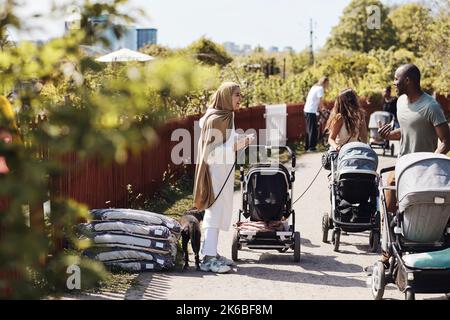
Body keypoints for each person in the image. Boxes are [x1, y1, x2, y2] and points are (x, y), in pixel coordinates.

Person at [367, 64, 450, 273]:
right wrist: (389, 135)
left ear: (408, 81)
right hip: (403, 167)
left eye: (397, 79)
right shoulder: (401, 102)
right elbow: (405, 131)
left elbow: (446, 140)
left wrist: (431, 161)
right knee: (388, 207)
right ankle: (387, 255)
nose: (393, 83)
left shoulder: (431, 106)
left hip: (426, 171)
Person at [193, 82, 254, 273]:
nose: (240, 98)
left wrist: (241, 140)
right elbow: (211, 154)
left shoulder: (227, 116)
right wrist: (236, 146)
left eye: (240, 95)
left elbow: (228, 138)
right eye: (236, 95)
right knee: (214, 211)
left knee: (219, 211)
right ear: (227, 96)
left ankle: (212, 252)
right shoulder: (215, 119)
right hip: (214, 174)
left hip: (223, 172)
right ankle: (207, 259)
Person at [326, 88, 368, 152]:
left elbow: (364, 135)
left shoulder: (360, 115)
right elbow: (331, 139)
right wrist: (337, 147)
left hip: (354, 151)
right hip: (339, 152)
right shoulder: (340, 117)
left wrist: (364, 149)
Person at [304, 76, 329, 152]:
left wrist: (320, 109)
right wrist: (324, 109)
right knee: (313, 129)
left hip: (307, 110)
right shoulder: (320, 89)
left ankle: (307, 146)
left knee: (309, 129)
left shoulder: (314, 87)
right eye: (327, 84)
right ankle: (311, 147)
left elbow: (315, 101)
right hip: (311, 111)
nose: (328, 85)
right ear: (324, 83)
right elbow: (320, 102)